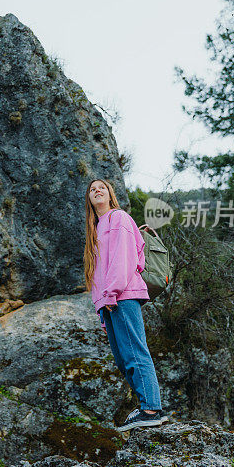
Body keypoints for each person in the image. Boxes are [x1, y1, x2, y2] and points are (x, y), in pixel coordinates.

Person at [83, 178, 167, 431]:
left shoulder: (118, 218)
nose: (97, 191)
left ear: (110, 195)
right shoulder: (96, 229)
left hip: (122, 296)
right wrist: (102, 310)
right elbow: (99, 272)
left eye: (102, 188)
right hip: (108, 301)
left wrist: (111, 294)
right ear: (88, 199)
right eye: (92, 189)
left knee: (134, 352)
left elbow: (123, 259)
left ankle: (152, 409)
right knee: (122, 359)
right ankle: (146, 406)